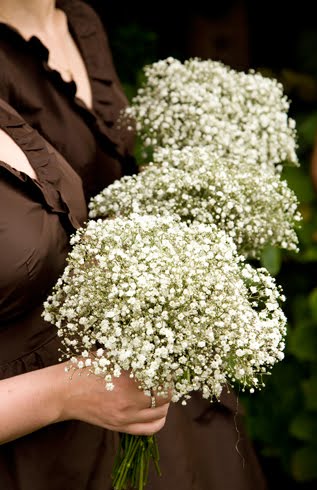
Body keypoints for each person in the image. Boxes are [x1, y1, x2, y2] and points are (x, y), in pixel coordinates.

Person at [0, 1, 268, 489]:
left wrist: (190, 196)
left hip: (135, 360)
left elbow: (83, 202)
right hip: (58, 420)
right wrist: (63, 392)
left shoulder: (81, 21)